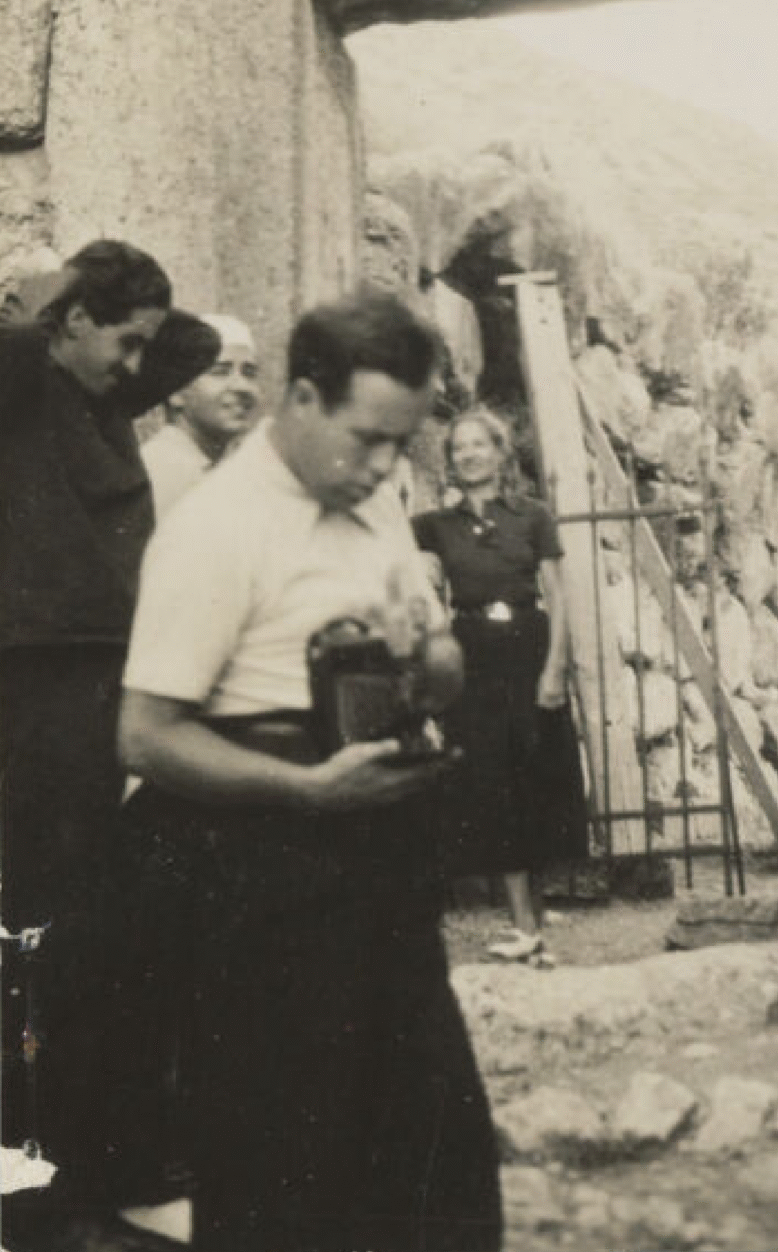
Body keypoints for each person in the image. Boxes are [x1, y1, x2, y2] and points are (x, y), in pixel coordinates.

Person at [114, 291, 502, 1252]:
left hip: (384, 866)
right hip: (262, 882)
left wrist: (430, 658)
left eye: (400, 444)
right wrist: (303, 790)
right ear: (301, 399)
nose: (382, 466)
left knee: (431, 1157)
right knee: (284, 1167)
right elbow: (146, 738)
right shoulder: (215, 529)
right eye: (367, 438)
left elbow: (442, 668)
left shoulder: (376, 506)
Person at [0, 241, 219, 1238]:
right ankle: (46, 1178)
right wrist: (53, 301)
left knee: (96, 918)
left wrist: (118, 319)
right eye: (120, 340)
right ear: (73, 321)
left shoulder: (104, 394)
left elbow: (193, 344)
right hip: (37, 679)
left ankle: (91, 1163)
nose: (140, 366)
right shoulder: (23, 382)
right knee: (49, 923)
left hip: (101, 677)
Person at [413, 411, 588, 963]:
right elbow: (406, 568)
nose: (468, 455)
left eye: (478, 445)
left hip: (528, 647)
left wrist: (555, 667)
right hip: (472, 654)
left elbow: (557, 596)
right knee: (493, 781)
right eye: (458, 448)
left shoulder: (533, 516)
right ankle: (523, 925)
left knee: (534, 776)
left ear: (499, 452)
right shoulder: (435, 526)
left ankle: (531, 920)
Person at [138, 315, 260, 518]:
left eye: (249, 373)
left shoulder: (221, 469)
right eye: (220, 372)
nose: (242, 386)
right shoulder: (162, 471)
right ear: (176, 391)